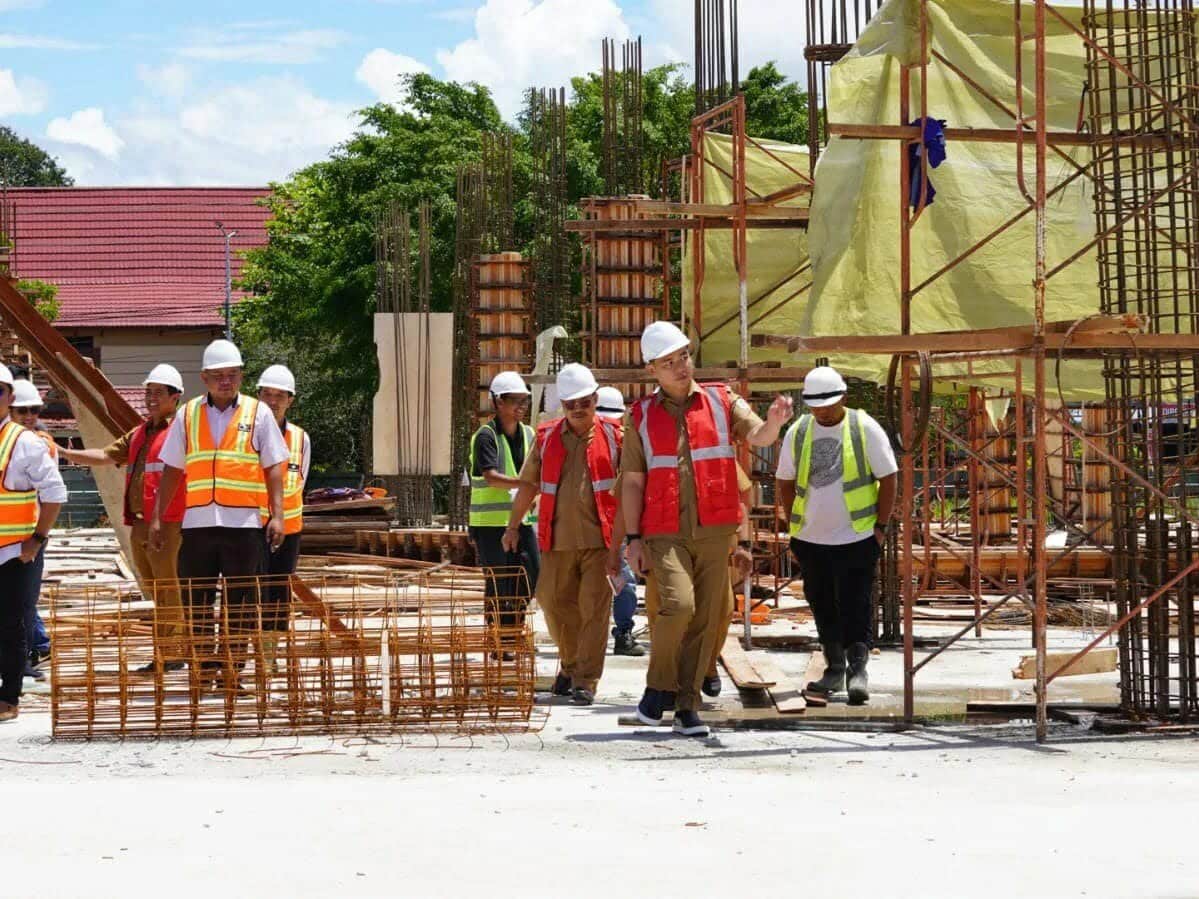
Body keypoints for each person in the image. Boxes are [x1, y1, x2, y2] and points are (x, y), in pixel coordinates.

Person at [617, 321, 793, 736]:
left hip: (715, 530)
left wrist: (774, 423)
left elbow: (758, 435)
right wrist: (632, 540)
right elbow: (633, 482)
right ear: (651, 370)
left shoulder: (721, 399)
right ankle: (658, 687)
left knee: (708, 619)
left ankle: (687, 707)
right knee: (679, 606)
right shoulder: (639, 417)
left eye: (684, 357)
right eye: (669, 362)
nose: (681, 367)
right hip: (664, 531)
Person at [149, 340, 289, 691]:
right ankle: (202, 669)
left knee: (240, 605)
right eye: (218, 376)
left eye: (232, 374)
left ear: (241, 376)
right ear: (204, 378)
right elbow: (172, 469)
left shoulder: (258, 413)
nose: (226, 381)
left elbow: (274, 466)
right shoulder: (188, 414)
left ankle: (231, 672)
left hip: (243, 525)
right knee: (196, 601)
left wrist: (278, 515)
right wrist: (157, 518)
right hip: (198, 525)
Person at [775, 365, 897, 705]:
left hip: (856, 536)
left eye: (828, 405)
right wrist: (794, 527)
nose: (823, 413)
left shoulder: (863, 427)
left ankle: (858, 670)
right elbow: (784, 480)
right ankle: (834, 667)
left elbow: (889, 477)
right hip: (811, 539)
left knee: (856, 603)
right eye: (816, 407)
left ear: (843, 397)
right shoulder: (799, 431)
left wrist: (880, 527)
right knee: (821, 602)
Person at [504, 364, 621, 705]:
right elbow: (528, 486)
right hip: (556, 540)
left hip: (601, 541)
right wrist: (513, 526)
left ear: (595, 399)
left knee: (594, 611)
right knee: (553, 602)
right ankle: (570, 665)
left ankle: (585, 680)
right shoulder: (546, 438)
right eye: (571, 404)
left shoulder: (615, 437)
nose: (578, 409)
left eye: (584, 402)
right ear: (563, 405)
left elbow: (633, 485)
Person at [61, 364, 189, 674]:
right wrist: (64, 452)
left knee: (169, 589)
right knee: (155, 589)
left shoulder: (180, 431)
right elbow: (105, 456)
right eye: (149, 392)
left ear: (175, 397)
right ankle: (166, 651)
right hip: (141, 523)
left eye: (158, 392)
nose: (151, 398)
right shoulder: (140, 433)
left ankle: (173, 654)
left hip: (168, 522)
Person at [0, 365, 67, 723]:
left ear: (8, 397)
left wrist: (37, 540)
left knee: (11, 625)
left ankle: (8, 698)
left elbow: (55, 493)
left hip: (15, 553)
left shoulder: (24, 442)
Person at [468, 371, 539, 659]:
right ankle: (498, 640)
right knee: (499, 582)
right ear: (498, 402)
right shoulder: (486, 436)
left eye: (525, 400)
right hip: (489, 524)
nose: (521, 406)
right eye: (515, 400)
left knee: (530, 575)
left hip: (522, 521)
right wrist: (525, 484)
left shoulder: (529, 434)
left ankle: (512, 632)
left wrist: (532, 491)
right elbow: (491, 476)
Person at [256, 364, 310, 675]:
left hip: (288, 529)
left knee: (279, 594)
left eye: (280, 396)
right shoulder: (246, 434)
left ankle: (269, 656)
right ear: (258, 396)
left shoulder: (300, 439)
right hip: (252, 528)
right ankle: (249, 651)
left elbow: (300, 481)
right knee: (251, 591)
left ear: (290, 400)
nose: (273, 401)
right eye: (267, 394)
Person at [9, 379, 56, 681]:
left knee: (24, 599)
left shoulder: (40, 443)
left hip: (29, 535)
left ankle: (25, 656)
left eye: (34, 410)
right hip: (7, 533)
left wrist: (38, 538)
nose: (29, 416)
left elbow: (51, 494)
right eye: (22, 410)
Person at [596, 386, 644, 657]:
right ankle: (623, 633)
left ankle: (587, 637)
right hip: (618, 520)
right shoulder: (626, 438)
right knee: (623, 578)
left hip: (595, 521)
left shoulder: (583, 438)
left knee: (601, 580)